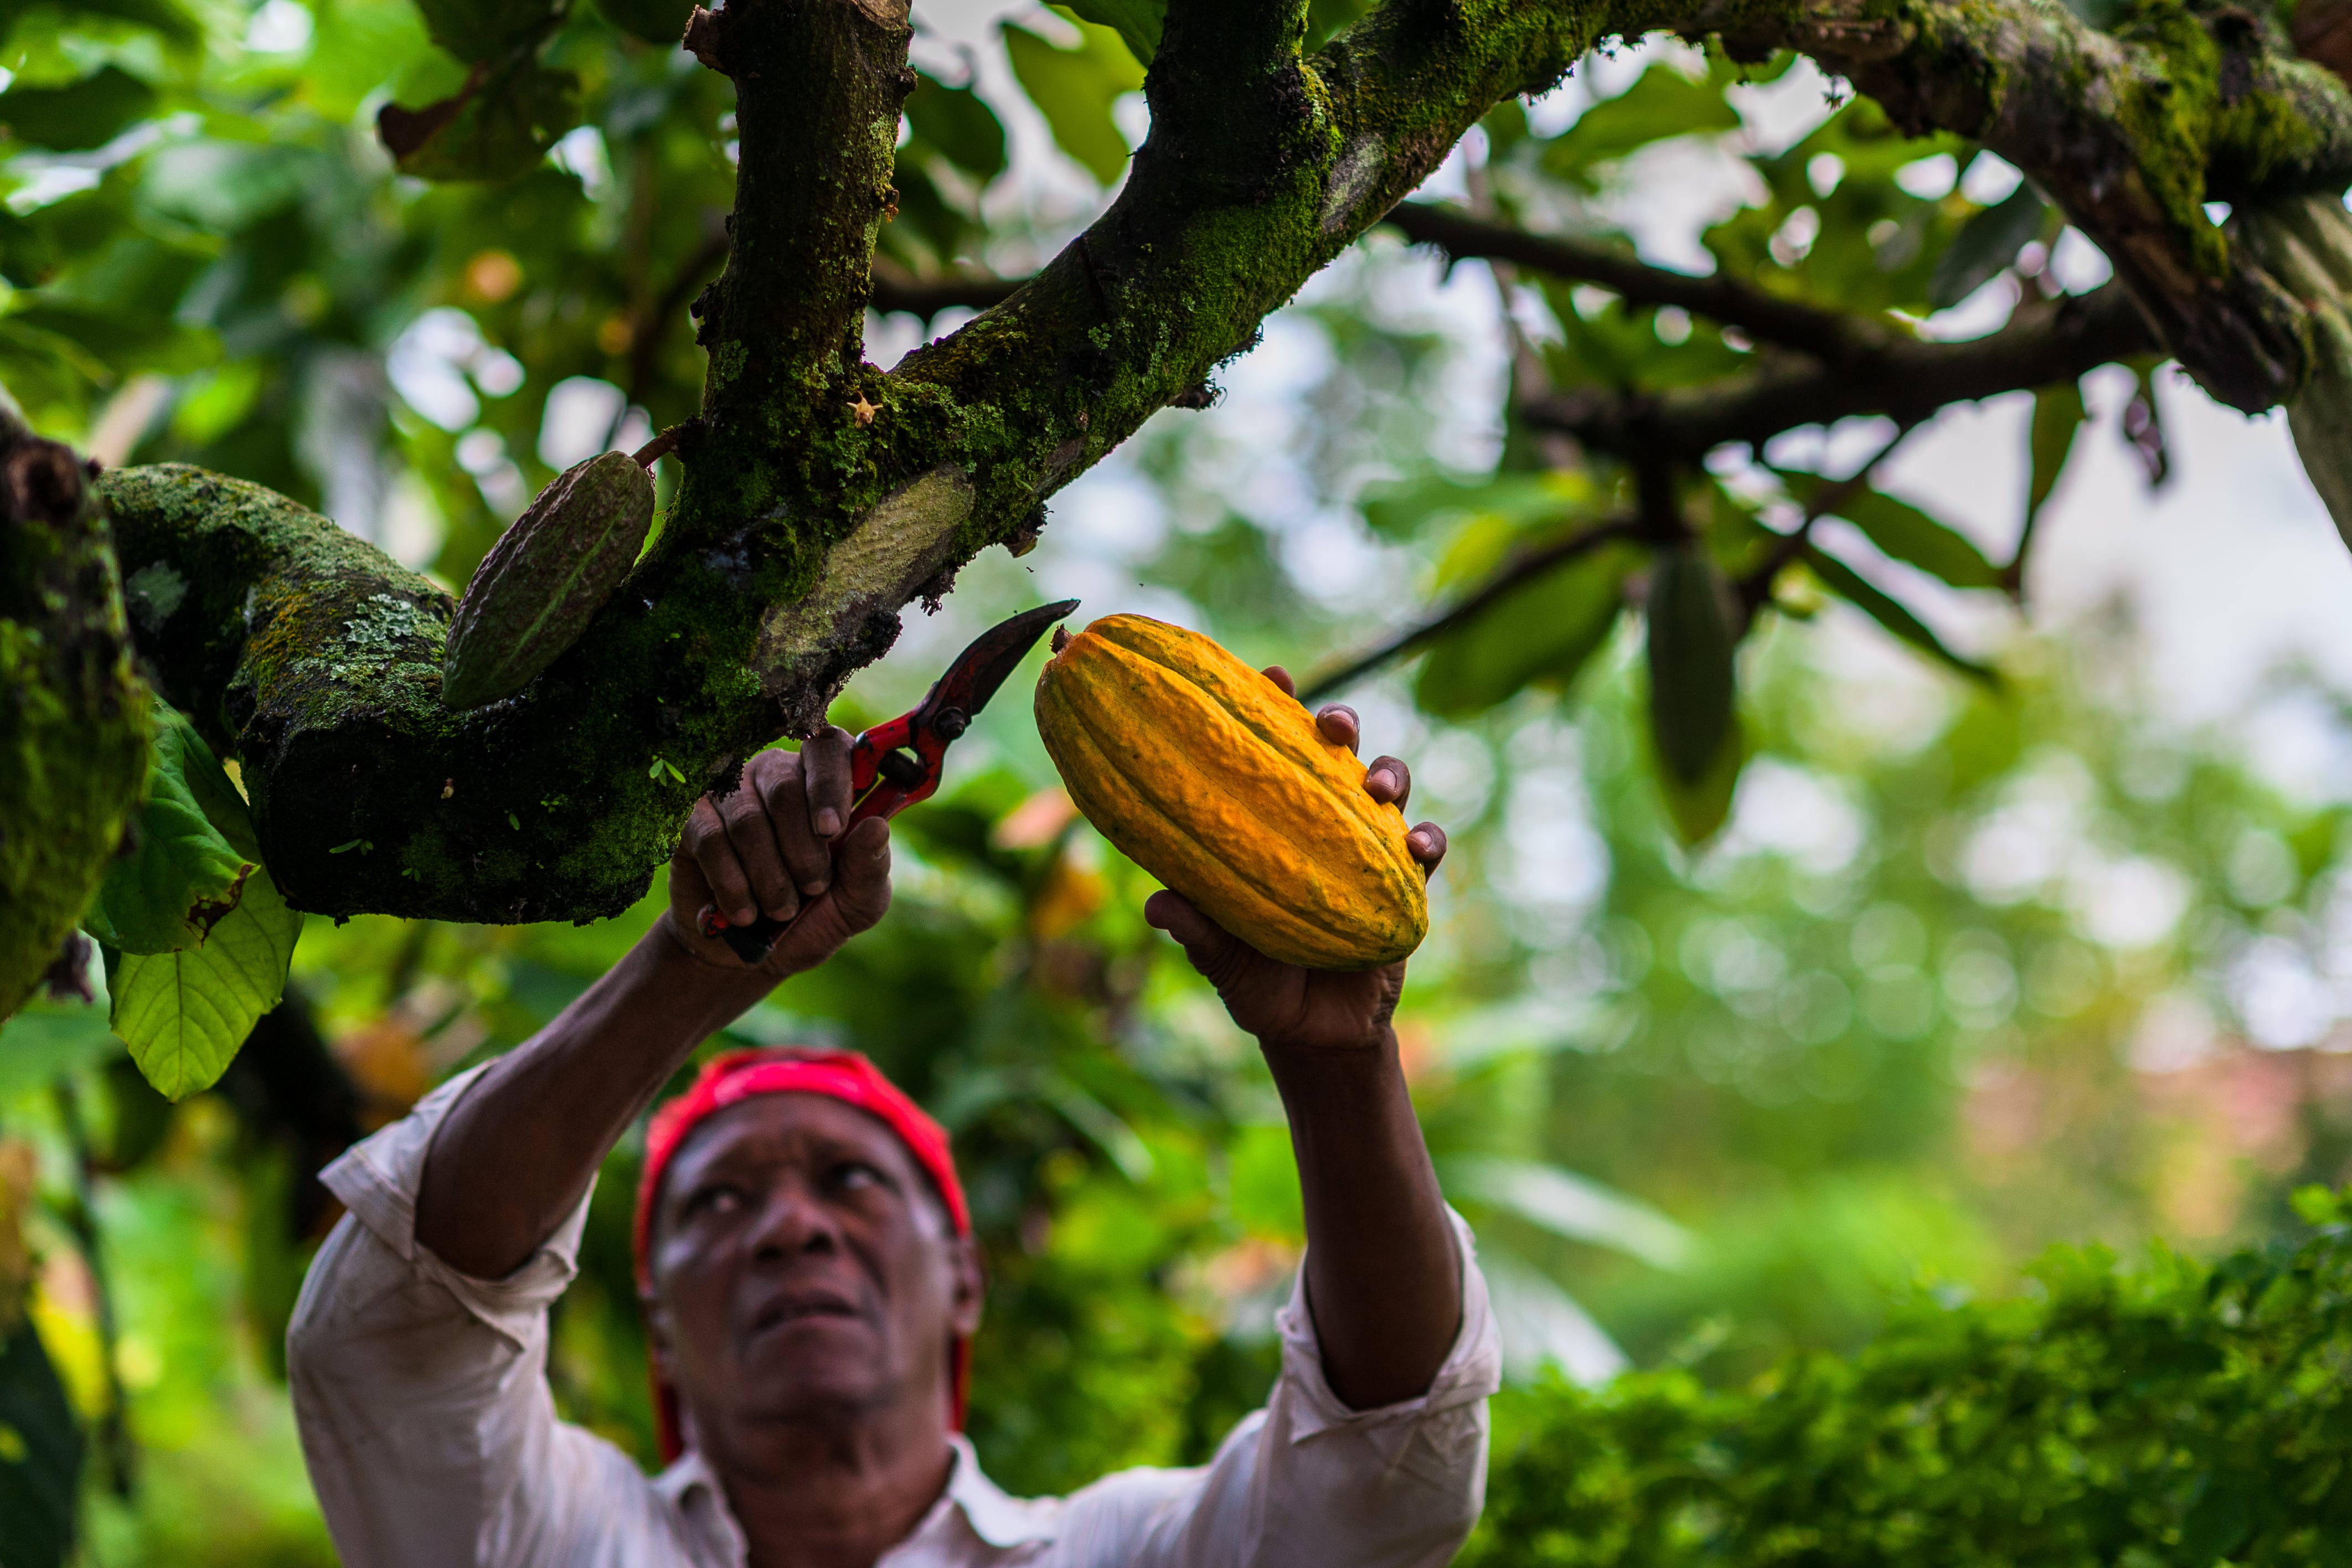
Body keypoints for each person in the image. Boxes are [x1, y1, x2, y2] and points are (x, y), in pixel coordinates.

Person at [286, 674, 1502, 1568]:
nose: (792, 1231)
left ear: (964, 1278)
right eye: (719, 1202)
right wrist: (695, 968)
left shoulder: (1121, 1553)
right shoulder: (550, 1541)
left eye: (853, 1183)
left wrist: (1336, 1062)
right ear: (657, 1323)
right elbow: (397, 1332)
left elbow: (1386, 1475)